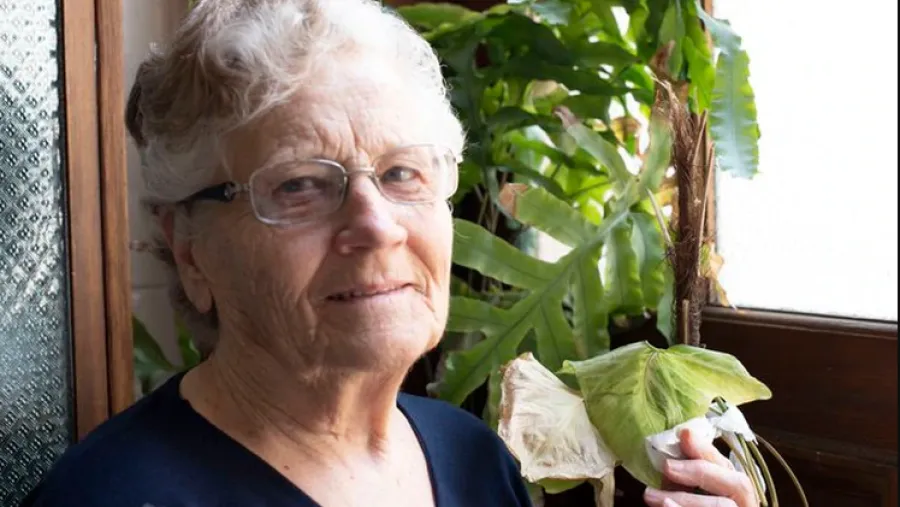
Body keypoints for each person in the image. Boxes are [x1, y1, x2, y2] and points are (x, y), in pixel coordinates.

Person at [21, 1, 759, 506]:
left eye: (404, 172)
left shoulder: (471, 458)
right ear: (189, 250)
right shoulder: (113, 495)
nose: (376, 225)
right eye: (300, 185)